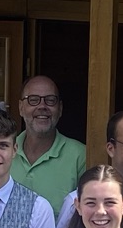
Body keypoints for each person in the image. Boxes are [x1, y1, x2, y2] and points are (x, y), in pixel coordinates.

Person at [8, 74, 85, 209]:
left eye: (50, 100)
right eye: (33, 100)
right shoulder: (4, 151)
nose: (42, 106)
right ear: (21, 108)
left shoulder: (81, 155)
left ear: (60, 108)